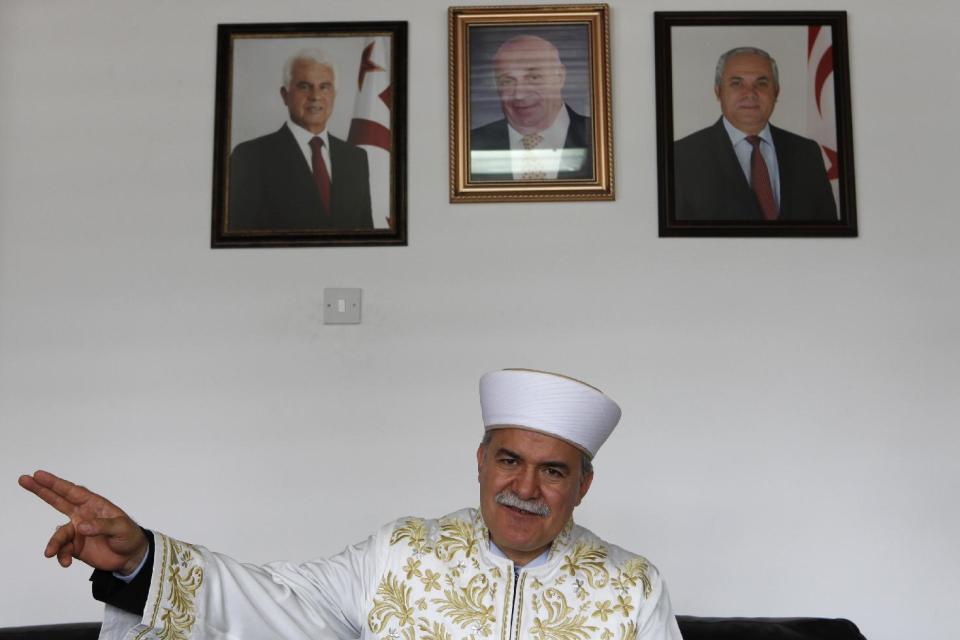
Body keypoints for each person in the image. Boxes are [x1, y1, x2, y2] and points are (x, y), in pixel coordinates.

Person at [19, 369, 682, 639]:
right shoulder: (401, 552)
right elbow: (271, 604)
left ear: (583, 486)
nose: (526, 490)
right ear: (481, 462)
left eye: (553, 471)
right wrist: (142, 558)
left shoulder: (631, 587)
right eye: (510, 460)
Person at [673, 46, 838, 222]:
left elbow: (829, 231)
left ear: (776, 92)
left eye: (761, 83)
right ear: (718, 92)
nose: (750, 93)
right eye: (737, 83)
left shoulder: (807, 152)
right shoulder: (681, 156)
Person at [227, 49, 374, 232]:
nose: (315, 96)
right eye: (304, 86)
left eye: (325, 87)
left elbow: (366, 235)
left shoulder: (356, 158)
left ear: (334, 95)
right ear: (285, 95)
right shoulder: (250, 157)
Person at [470, 35, 593, 182]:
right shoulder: (470, 145)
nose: (519, 94)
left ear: (559, 77)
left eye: (533, 78)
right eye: (507, 81)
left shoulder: (598, 137)